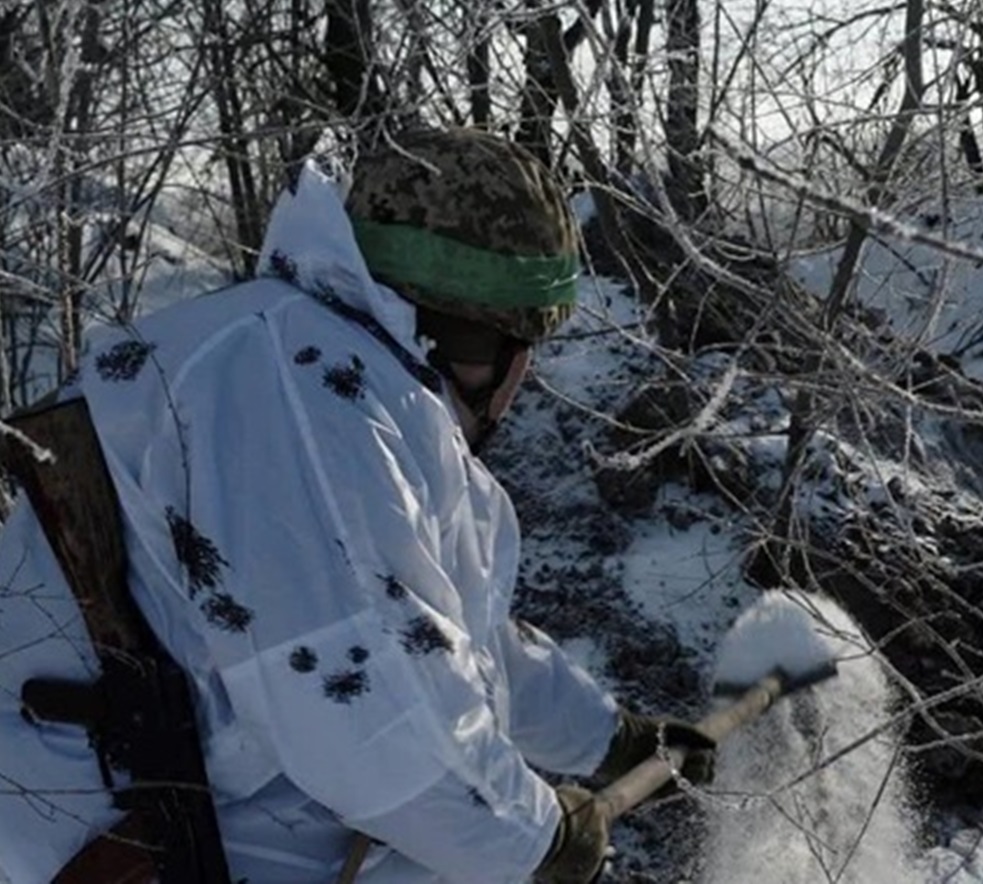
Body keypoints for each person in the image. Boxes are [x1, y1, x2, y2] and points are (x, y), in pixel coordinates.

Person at [0, 128, 714, 884]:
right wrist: (536, 838)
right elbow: (366, 710)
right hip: (99, 838)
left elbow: (441, 635)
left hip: (185, 806)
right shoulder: (301, 398)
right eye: (506, 347)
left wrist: (608, 739)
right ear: (489, 343)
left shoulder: (319, 365)